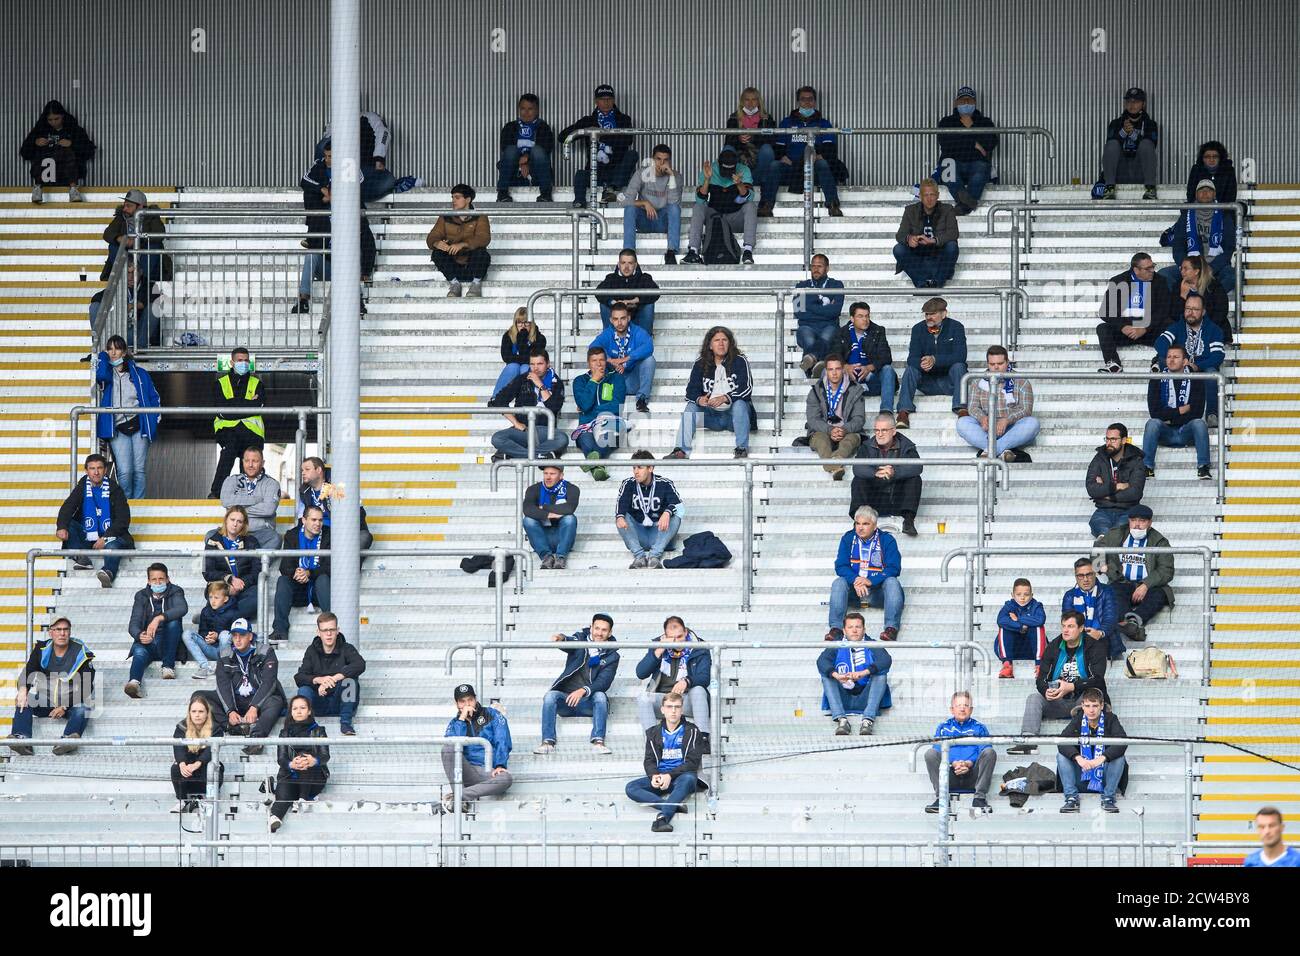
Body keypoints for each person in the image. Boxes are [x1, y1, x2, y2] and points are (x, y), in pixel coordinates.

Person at [1007, 610, 1109, 754]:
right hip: (1058, 700)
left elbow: (1098, 678)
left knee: (1094, 694)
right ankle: (1028, 741)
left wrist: (1072, 686)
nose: (1066, 630)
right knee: (1034, 698)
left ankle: (1085, 740)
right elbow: (1041, 678)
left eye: (1071, 626)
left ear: (1081, 628)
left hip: (1082, 700)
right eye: (1064, 626)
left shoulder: (1095, 646)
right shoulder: (1054, 646)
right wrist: (1046, 691)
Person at [295, 144, 377, 314]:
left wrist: (366, 271)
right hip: (328, 267)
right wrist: (323, 191)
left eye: (332, 156)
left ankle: (357, 302)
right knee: (311, 255)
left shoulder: (353, 215)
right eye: (327, 156)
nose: (328, 160)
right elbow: (305, 182)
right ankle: (303, 300)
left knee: (352, 258)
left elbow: (368, 241)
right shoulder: (321, 218)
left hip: (348, 268)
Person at [534, 613, 620, 755]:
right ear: (591, 627)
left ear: (610, 632)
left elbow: (604, 682)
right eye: (597, 628)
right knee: (550, 696)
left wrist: (583, 691)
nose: (599, 633)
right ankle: (547, 742)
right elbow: (568, 641)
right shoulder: (580, 640)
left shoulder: (612, 655)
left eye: (604, 630)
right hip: (566, 702)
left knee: (600, 696)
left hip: (588, 703)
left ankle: (598, 741)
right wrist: (560, 638)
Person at [5, 618, 93, 756]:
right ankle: (22, 740)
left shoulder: (81, 652)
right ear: (51, 632)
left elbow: (87, 686)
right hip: (45, 701)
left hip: (69, 704)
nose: (62, 633)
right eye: (58, 629)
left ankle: (66, 742)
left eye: (66, 629)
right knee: (24, 698)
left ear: (70, 632)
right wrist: (22, 689)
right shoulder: (42, 649)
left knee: (84, 707)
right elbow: (28, 671)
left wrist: (64, 706)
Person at [626, 692, 709, 832]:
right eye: (669, 707)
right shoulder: (654, 732)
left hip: (681, 778)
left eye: (677, 707)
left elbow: (692, 763)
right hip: (661, 778)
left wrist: (670, 775)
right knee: (631, 788)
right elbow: (649, 760)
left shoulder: (692, 731)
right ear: (662, 710)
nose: (673, 711)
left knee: (690, 777)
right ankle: (671, 804)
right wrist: (654, 776)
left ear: (682, 710)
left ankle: (663, 818)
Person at [671, 326, 755, 459]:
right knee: (691, 406)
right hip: (710, 416)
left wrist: (726, 397)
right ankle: (680, 451)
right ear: (710, 345)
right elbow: (690, 391)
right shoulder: (700, 363)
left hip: (733, 417)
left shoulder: (740, 361)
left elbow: (746, 388)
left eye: (724, 340)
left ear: (730, 343)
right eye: (716, 340)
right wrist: (700, 399)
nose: (721, 343)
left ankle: (741, 449)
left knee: (740, 404)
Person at [92, 335, 160, 499]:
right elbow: (100, 375)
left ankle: (139, 504)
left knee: (138, 469)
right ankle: (126, 505)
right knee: (124, 471)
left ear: (124, 351)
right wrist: (102, 356)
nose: (113, 352)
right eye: (110, 348)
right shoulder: (107, 375)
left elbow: (154, 397)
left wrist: (154, 419)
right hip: (117, 428)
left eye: (117, 348)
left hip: (139, 425)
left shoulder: (139, 373)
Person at [1095, 504, 1174, 644]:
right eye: (1133, 520)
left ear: (1150, 523)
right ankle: (1130, 625)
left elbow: (1166, 570)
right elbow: (1098, 548)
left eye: (1142, 521)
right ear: (1129, 521)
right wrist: (1100, 565)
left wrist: (1145, 584)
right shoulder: (1117, 533)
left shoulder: (1159, 541)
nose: (1137, 525)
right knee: (1112, 592)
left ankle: (1132, 620)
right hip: (1122, 582)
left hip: (1148, 587)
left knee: (1160, 595)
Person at [827, 506, 905, 642]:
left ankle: (890, 629)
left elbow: (894, 568)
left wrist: (870, 581)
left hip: (877, 593)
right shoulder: (848, 538)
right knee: (839, 583)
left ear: (874, 526)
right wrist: (856, 579)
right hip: (854, 593)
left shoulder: (887, 540)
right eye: (858, 523)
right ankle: (836, 629)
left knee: (892, 582)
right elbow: (840, 566)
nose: (860, 528)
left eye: (865, 524)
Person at [57, 453, 134, 587]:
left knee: (112, 546)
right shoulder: (82, 487)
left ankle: (108, 573)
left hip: (111, 536)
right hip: (88, 537)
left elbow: (123, 519)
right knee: (69, 524)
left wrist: (105, 537)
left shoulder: (115, 489)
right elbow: (68, 507)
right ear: (86, 470)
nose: (96, 472)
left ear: (105, 470)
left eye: (99, 468)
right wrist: (61, 526)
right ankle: (82, 558)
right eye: (92, 468)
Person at [559, 84, 637, 208]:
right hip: (595, 172)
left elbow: (627, 140)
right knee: (580, 174)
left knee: (632, 154)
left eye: (609, 99)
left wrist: (598, 134)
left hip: (617, 172)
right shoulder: (588, 121)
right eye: (602, 99)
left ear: (614, 100)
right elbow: (562, 137)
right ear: (596, 101)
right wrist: (586, 130)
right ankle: (579, 202)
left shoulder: (623, 119)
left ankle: (611, 190)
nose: (606, 102)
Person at [1155, 292, 1226, 426]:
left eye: (1195, 309)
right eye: (1188, 308)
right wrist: (1180, 361)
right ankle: (1167, 410)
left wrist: (1197, 366)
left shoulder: (1214, 330)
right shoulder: (1177, 326)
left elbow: (1218, 356)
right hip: (1180, 369)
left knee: (1212, 372)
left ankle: (1212, 414)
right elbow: (1160, 343)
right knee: (1163, 360)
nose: (1190, 312)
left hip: (1202, 369)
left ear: (1203, 312)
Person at [1095, 253, 1174, 374]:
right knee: (1102, 328)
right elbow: (1105, 311)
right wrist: (1123, 327)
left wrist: (1145, 328)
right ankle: (1114, 364)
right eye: (1148, 268)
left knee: (1172, 326)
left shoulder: (1160, 281)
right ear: (1136, 270)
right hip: (1126, 332)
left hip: (1150, 332)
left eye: (1153, 266)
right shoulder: (1118, 281)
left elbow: (1164, 310)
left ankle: (1159, 362)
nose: (1152, 270)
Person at [957, 345, 1038, 462]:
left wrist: (1007, 420)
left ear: (1007, 362)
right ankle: (1003, 450)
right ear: (987, 363)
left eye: (1000, 364)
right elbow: (973, 407)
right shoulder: (977, 381)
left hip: (1012, 428)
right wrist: (982, 418)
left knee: (1032, 423)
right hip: (986, 429)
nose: (996, 367)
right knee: (963, 423)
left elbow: (1026, 410)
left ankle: (990, 450)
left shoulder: (1021, 381)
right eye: (992, 364)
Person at [214, 622, 286, 754]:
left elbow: (269, 682)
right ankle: (235, 728)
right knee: (200, 698)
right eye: (234, 635)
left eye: (241, 635)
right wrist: (230, 710)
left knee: (276, 701)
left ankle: (256, 739)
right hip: (236, 701)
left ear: (250, 636)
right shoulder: (224, 654)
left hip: (259, 701)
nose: (237, 639)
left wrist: (254, 707)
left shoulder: (266, 651)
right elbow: (222, 684)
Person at [1143, 344, 1211, 480]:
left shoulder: (1196, 379)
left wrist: (1169, 416)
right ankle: (1146, 468)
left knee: (1199, 423)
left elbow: (1197, 412)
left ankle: (1203, 467)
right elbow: (1155, 413)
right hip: (1165, 432)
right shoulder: (1156, 379)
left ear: (1185, 361)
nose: (1171, 360)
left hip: (1186, 432)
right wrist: (1180, 410)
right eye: (1168, 357)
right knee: (1152, 423)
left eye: (1176, 357)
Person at [896, 297, 968, 426]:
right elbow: (912, 358)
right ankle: (903, 412)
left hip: (949, 382)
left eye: (933, 314)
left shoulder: (956, 327)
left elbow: (960, 356)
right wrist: (922, 363)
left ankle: (961, 408)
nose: (929, 317)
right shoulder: (917, 329)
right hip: (928, 381)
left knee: (959, 366)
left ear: (944, 314)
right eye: (927, 314)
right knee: (910, 369)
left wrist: (935, 360)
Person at [817, 611, 892, 735]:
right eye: (850, 627)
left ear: (864, 629)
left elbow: (885, 660)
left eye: (858, 627)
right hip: (843, 696)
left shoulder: (871, 643)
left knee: (881, 675)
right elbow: (822, 662)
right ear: (844, 630)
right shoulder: (837, 644)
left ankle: (867, 720)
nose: (854, 630)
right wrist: (837, 676)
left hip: (866, 698)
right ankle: (842, 720)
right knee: (827, 675)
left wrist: (864, 673)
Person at [441, 684, 513, 812]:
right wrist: (462, 719)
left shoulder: (492, 714)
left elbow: (502, 739)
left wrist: (500, 765)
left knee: (506, 779)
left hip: (487, 770)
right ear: (457, 704)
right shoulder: (454, 723)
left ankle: (459, 797)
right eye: (462, 701)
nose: (467, 704)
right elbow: (452, 746)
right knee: (447, 748)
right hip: (464, 771)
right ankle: (461, 796)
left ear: (475, 699)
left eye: (470, 700)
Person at [1056, 689, 1130, 813]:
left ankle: (1108, 798)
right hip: (1082, 774)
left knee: (1119, 758)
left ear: (1101, 706)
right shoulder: (1078, 720)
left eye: (1095, 705)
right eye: (1088, 706)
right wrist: (1078, 758)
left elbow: (1122, 742)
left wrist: (1100, 759)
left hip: (1104, 777)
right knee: (1061, 756)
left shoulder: (1111, 719)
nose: (1091, 710)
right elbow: (1062, 742)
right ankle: (1071, 799)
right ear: (1083, 707)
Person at [848, 413, 923, 536]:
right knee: (858, 480)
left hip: (897, 499)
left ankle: (908, 521)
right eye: (877, 430)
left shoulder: (906, 446)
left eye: (884, 430)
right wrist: (875, 473)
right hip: (874, 501)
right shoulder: (866, 446)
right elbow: (857, 468)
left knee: (915, 479)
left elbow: (917, 467)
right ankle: (859, 522)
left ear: (893, 431)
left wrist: (895, 472)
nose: (880, 434)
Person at [487, 349, 568, 460]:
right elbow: (499, 401)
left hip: (545, 431)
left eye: (540, 364)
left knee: (562, 439)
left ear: (548, 364)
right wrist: (516, 423)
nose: (535, 368)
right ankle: (540, 455)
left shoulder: (556, 382)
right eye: (532, 364)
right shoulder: (522, 379)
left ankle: (514, 454)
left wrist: (540, 384)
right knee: (497, 438)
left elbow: (554, 408)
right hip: (523, 430)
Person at [682, 147, 758, 265]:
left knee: (751, 206)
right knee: (698, 207)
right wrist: (707, 180)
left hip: (734, 218)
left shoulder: (744, 170)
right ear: (718, 162)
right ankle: (693, 251)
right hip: (715, 220)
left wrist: (739, 184)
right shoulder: (710, 169)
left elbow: (749, 197)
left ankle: (748, 251)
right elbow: (700, 200)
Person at [775, 85, 843, 216]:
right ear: (798, 102)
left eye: (810, 99)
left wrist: (820, 156)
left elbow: (830, 149)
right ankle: (766, 205)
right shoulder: (787, 122)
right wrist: (783, 157)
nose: (807, 102)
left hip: (814, 169)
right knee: (774, 166)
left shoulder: (823, 123)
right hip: (791, 169)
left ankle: (833, 205)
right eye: (803, 99)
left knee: (823, 164)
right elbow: (778, 148)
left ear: (815, 102)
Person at [294, 612, 365, 736]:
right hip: (319, 701)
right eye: (325, 630)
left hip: (341, 702)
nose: (328, 634)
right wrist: (318, 680)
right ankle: (304, 728)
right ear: (318, 632)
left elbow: (360, 664)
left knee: (350, 682)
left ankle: (346, 723)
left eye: (332, 629)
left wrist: (335, 678)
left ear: (337, 630)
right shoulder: (312, 651)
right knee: (303, 690)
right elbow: (299, 677)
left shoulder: (347, 648)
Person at [634, 617, 711, 732]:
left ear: (685, 632)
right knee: (643, 698)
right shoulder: (657, 645)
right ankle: (652, 741)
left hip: (686, 700)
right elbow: (641, 673)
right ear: (665, 636)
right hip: (664, 700)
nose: (677, 642)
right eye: (672, 638)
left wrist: (687, 681)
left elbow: (704, 677)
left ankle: (702, 737)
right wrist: (658, 651)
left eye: (680, 636)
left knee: (699, 690)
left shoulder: (699, 647)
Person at [124, 563, 188, 698]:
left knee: (174, 623)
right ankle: (134, 683)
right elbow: (134, 623)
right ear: (148, 581)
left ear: (168, 579)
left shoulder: (176, 591)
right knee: (139, 651)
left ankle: (168, 667)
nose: (158, 582)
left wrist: (159, 618)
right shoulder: (141, 596)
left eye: (161, 579)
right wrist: (140, 635)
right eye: (154, 579)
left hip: (169, 643)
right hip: (149, 642)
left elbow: (182, 608)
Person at [1161, 179, 1237, 293]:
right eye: (1201, 190)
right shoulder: (1186, 216)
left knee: (1233, 276)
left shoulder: (1224, 216)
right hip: (1192, 265)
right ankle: (1185, 299)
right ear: (1196, 194)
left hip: (1215, 266)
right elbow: (1178, 246)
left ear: (1214, 194)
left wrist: (1212, 268)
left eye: (1209, 190)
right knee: (1163, 275)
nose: (1205, 193)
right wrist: (1187, 267)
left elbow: (1229, 248)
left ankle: (1208, 297)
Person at [208, 347, 265, 498]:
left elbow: (258, 406)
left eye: (246, 361)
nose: (244, 363)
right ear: (232, 362)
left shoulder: (257, 383)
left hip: (251, 431)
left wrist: (233, 405)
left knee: (250, 458)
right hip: (227, 430)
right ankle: (216, 492)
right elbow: (222, 410)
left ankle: (250, 494)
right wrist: (247, 404)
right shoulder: (220, 383)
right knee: (229, 449)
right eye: (240, 360)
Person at [924, 691, 994, 811]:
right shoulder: (943, 727)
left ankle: (979, 799)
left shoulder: (980, 727)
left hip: (973, 776)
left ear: (971, 710)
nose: (962, 709)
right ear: (952, 709)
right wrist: (954, 763)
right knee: (930, 754)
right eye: (958, 706)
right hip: (950, 775)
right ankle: (942, 799)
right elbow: (938, 751)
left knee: (989, 752)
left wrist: (968, 763)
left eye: (966, 705)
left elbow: (984, 750)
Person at [269, 695, 330, 833]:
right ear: (291, 712)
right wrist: (291, 764)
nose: (299, 711)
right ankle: (274, 817)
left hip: (314, 777)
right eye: (295, 708)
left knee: (304, 760)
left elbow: (325, 755)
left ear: (309, 711)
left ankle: (303, 799)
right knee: (283, 797)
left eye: (302, 708)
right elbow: (281, 759)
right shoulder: (284, 733)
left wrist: (314, 760)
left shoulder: (319, 730)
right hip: (290, 775)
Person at [271, 505, 331, 643]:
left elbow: (331, 566)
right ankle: (280, 630)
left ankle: (329, 627)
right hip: (298, 589)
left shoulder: (329, 534)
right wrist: (297, 572)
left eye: (320, 520)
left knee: (323, 579)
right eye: (314, 520)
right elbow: (284, 566)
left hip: (319, 591)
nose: (318, 524)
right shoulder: (292, 535)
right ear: (304, 520)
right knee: (283, 581)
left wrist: (309, 572)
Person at [936, 87, 998, 215]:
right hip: (952, 162)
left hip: (976, 163)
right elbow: (946, 144)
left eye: (969, 100)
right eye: (962, 100)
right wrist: (975, 144)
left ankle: (963, 206)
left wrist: (971, 127)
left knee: (981, 168)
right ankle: (969, 203)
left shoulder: (984, 122)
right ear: (956, 103)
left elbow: (991, 143)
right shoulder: (946, 122)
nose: (965, 103)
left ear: (974, 103)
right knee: (947, 166)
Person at [616, 451, 682, 569]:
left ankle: (654, 557)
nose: (636, 471)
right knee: (620, 516)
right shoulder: (628, 484)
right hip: (638, 535)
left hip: (659, 535)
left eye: (640, 467)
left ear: (650, 468)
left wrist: (667, 512)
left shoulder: (664, 484)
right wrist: (620, 516)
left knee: (677, 514)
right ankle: (639, 557)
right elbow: (621, 505)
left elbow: (679, 505)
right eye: (634, 467)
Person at [20, 100, 94, 204]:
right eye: (50, 120)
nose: (54, 122)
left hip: (67, 178)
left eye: (56, 119)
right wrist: (35, 142)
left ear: (63, 116)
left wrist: (72, 144)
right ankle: (37, 188)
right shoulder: (40, 130)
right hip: (45, 178)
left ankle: (73, 189)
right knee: (41, 152)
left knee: (67, 151)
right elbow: (24, 152)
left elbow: (89, 151)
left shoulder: (74, 129)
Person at [805, 354, 865, 480]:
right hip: (822, 431)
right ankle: (836, 467)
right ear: (826, 371)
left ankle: (832, 466)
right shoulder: (816, 391)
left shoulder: (855, 389)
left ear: (843, 369)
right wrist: (830, 429)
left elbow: (859, 419)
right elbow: (812, 419)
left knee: (849, 441)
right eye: (831, 369)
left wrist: (844, 429)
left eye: (837, 369)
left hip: (848, 430)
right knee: (821, 441)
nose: (834, 373)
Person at [620, 145, 683, 264]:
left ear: (670, 161)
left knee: (674, 208)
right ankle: (629, 251)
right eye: (658, 159)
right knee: (630, 209)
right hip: (645, 219)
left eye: (665, 160)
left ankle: (671, 251)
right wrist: (644, 202)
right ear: (653, 160)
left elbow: (674, 203)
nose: (661, 163)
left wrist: (671, 177)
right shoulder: (642, 173)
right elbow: (625, 200)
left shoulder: (676, 177)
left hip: (663, 222)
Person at [724, 87, 781, 217]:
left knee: (767, 150)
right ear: (742, 102)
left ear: (759, 101)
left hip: (759, 158)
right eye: (747, 100)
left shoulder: (767, 118)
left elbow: (772, 142)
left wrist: (752, 136)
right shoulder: (733, 118)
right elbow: (728, 141)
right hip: (741, 159)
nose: (750, 103)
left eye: (754, 99)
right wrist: (739, 138)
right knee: (727, 150)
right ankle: (727, 194)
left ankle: (756, 190)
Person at [426, 184, 491, 297]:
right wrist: (437, 243)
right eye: (452, 197)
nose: (453, 201)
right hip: (454, 268)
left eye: (457, 197)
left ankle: (476, 284)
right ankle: (454, 284)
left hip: (473, 266)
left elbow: (484, 238)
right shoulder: (446, 217)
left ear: (468, 199)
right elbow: (432, 236)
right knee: (437, 253)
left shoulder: (480, 216)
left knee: (482, 254)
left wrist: (463, 244)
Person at [590, 301, 655, 413]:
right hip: (614, 381)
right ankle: (605, 401)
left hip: (632, 380)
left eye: (623, 318)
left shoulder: (636, 331)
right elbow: (592, 347)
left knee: (649, 360)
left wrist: (627, 358)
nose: (619, 323)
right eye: (615, 319)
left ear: (628, 318)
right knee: (598, 359)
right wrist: (610, 360)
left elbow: (649, 346)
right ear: (611, 320)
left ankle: (642, 399)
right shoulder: (608, 333)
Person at [893, 180, 959, 288]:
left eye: (932, 194)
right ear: (920, 196)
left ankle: (937, 283)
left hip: (939, 257)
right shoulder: (910, 210)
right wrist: (909, 239)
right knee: (898, 249)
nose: (929, 199)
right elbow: (900, 235)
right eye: (926, 195)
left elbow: (953, 233)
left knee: (952, 246)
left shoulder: (947, 209)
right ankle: (921, 283)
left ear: (937, 195)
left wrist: (934, 240)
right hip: (918, 258)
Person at [298, 456, 373, 552]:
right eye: (302, 470)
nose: (303, 473)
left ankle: (344, 564)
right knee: (294, 535)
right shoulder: (304, 491)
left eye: (307, 469)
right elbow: (302, 519)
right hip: (319, 533)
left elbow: (359, 513)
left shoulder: (340, 484)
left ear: (319, 470)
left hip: (344, 532)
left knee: (364, 537)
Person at [1085, 422, 1147, 536]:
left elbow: (1135, 492)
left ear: (1124, 440)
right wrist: (1117, 486)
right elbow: (1091, 488)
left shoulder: (1136, 460)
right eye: (1107, 439)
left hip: (1128, 511)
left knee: (1117, 533)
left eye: (1113, 439)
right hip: (1103, 510)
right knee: (1101, 528)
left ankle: (1105, 544)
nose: (1109, 443)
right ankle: (1105, 543)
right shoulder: (1099, 458)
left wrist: (1108, 495)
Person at [572, 347, 625, 477]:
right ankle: (597, 469)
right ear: (588, 363)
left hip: (610, 422)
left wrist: (590, 411)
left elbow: (617, 405)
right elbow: (584, 404)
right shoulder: (579, 381)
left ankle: (592, 462)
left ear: (606, 361)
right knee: (585, 438)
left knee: (610, 437)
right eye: (594, 360)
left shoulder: (616, 378)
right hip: (587, 426)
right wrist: (593, 381)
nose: (599, 363)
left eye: (601, 359)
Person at [1098, 88, 1159, 200]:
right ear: (1125, 104)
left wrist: (1132, 134)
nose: (1132, 104)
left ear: (1143, 104)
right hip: (1120, 172)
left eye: (1136, 101)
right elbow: (1109, 148)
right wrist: (1123, 132)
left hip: (1140, 171)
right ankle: (1109, 188)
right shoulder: (1115, 123)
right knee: (1112, 144)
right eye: (1129, 101)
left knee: (1146, 144)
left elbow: (1151, 146)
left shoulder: (1150, 124)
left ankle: (1150, 188)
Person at [836, 301, 897, 412]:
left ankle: (886, 411)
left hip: (871, 379)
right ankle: (825, 412)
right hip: (848, 380)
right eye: (860, 316)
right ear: (852, 318)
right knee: (827, 371)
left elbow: (886, 356)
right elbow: (834, 356)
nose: (865, 319)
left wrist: (869, 368)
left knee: (888, 369)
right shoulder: (841, 332)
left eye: (867, 316)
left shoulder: (878, 331)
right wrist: (845, 367)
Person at [87, 259, 161, 349]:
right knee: (95, 307)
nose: (130, 277)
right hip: (118, 332)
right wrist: (118, 305)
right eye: (127, 273)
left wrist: (134, 305)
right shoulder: (117, 286)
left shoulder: (148, 285)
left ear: (140, 272)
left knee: (154, 308)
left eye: (133, 273)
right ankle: (100, 348)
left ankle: (141, 349)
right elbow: (96, 298)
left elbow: (157, 299)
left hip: (139, 333)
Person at [203, 506, 259, 621]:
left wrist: (240, 584)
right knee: (217, 594)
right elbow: (208, 572)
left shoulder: (251, 542)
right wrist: (229, 581)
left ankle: (216, 616)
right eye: (232, 520)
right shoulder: (213, 541)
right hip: (221, 586)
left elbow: (257, 571)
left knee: (257, 597)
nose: (235, 524)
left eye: (239, 521)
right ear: (226, 520)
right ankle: (227, 616)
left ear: (244, 524)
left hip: (244, 587)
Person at [497, 93, 556, 202]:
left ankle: (546, 194)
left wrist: (527, 158)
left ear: (537, 110)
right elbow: (505, 147)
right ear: (519, 109)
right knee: (510, 150)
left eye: (530, 109)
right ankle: (502, 193)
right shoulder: (510, 127)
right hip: (514, 171)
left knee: (537, 150)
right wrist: (522, 162)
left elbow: (546, 148)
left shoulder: (543, 127)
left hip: (536, 171)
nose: (526, 112)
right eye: (523, 108)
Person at [170, 693, 224, 813]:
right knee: (175, 768)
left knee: (214, 769)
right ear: (189, 713)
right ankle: (182, 800)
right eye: (194, 711)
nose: (197, 715)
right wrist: (182, 764)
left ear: (207, 713)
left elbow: (211, 751)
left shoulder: (216, 729)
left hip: (204, 771)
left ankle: (210, 799)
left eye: (201, 711)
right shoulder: (181, 727)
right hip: (188, 773)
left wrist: (197, 764)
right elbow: (178, 748)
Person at [220, 447, 282, 551]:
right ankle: (231, 566)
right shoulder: (231, 480)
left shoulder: (272, 484)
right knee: (210, 536)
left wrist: (237, 510)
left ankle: (255, 567)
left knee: (275, 538)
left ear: (262, 463)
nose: (250, 465)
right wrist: (257, 499)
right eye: (247, 461)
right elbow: (226, 502)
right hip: (234, 532)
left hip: (260, 533)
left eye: (255, 461)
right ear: (242, 462)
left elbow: (268, 509)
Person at [794, 254, 846, 376]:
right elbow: (799, 313)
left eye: (820, 266)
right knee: (809, 339)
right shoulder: (801, 286)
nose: (816, 269)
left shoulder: (837, 285)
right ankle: (818, 366)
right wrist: (825, 309)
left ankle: (811, 361)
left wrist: (809, 305)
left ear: (827, 268)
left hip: (829, 326)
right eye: (813, 266)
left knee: (827, 336)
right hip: (807, 326)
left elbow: (835, 311)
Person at [100, 188, 167, 283]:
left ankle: (143, 280)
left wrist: (137, 240)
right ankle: (124, 276)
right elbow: (108, 233)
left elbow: (159, 234)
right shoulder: (121, 217)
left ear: (140, 207)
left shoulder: (152, 216)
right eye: (124, 206)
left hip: (144, 256)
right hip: (128, 256)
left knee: (154, 246)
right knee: (113, 246)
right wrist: (121, 239)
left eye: (129, 206)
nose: (124, 209)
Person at [1063, 557, 1121, 661]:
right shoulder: (1069, 596)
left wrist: (1099, 633)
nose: (1085, 579)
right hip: (1079, 639)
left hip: (1103, 639)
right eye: (1081, 575)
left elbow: (1110, 618)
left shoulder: (1107, 591)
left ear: (1095, 573)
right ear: (1076, 577)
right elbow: (1069, 622)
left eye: (1089, 574)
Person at [523, 464, 580, 569]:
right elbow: (527, 509)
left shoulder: (572, 489)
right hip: (542, 538)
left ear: (561, 475)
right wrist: (548, 514)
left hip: (562, 537)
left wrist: (543, 507)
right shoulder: (534, 489)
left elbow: (569, 508)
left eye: (552, 474)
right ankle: (546, 557)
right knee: (528, 520)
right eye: (545, 473)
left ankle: (561, 557)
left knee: (570, 518)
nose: (548, 477)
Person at [183, 583, 244, 680]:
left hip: (228, 650)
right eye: (210, 597)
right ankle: (205, 667)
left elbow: (239, 636)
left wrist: (217, 636)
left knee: (224, 635)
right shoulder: (206, 611)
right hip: (210, 649)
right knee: (187, 634)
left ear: (225, 599)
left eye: (216, 598)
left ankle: (226, 665)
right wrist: (207, 637)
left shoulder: (234, 612)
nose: (213, 601)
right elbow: (202, 631)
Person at [1167, 254, 1231, 344]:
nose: (1182, 271)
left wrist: (1201, 330)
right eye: (1181, 268)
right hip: (1186, 333)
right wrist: (1182, 296)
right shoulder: (1178, 286)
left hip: (1212, 331)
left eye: (1186, 268)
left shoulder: (1213, 286)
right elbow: (1174, 315)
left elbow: (1220, 313)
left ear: (1196, 271)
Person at [595, 248, 660, 333]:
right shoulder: (611, 278)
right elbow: (598, 292)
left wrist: (635, 301)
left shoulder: (644, 278)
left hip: (637, 319)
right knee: (604, 305)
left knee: (649, 306)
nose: (626, 267)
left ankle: (644, 339)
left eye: (630, 263)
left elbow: (656, 292)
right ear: (618, 264)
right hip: (617, 320)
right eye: (623, 263)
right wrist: (614, 303)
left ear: (635, 265)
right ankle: (610, 338)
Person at [995, 578, 1047, 679]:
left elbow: (1040, 620)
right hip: (1013, 648)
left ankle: (1040, 665)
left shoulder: (1036, 606)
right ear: (1012, 595)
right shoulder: (1009, 606)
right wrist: (1020, 627)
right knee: (1004, 627)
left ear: (1032, 595)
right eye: (1018, 594)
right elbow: (1001, 620)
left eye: (1026, 595)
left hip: (1031, 648)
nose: (1022, 598)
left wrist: (1018, 619)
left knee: (1037, 627)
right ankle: (1007, 665)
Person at [494, 307, 547, 398]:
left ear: (531, 323)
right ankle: (495, 398)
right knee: (513, 366)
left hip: (533, 371)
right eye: (519, 322)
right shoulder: (508, 336)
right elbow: (506, 357)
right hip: (513, 372)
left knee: (525, 368)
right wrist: (523, 359)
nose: (523, 326)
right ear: (515, 323)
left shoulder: (539, 338)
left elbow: (533, 360)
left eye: (526, 322)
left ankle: (525, 400)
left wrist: (522, 337)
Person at [1186, 140, 1237, 206]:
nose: (1211, 160)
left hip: (1223, 209)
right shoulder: (1196, 170)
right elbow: (1191, 194)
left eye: (1215, 156)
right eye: (1207, 157)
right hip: (1199, 209)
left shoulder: (1228, 171)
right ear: (1202, 158)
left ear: (1220, 158)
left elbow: (1231, 196)